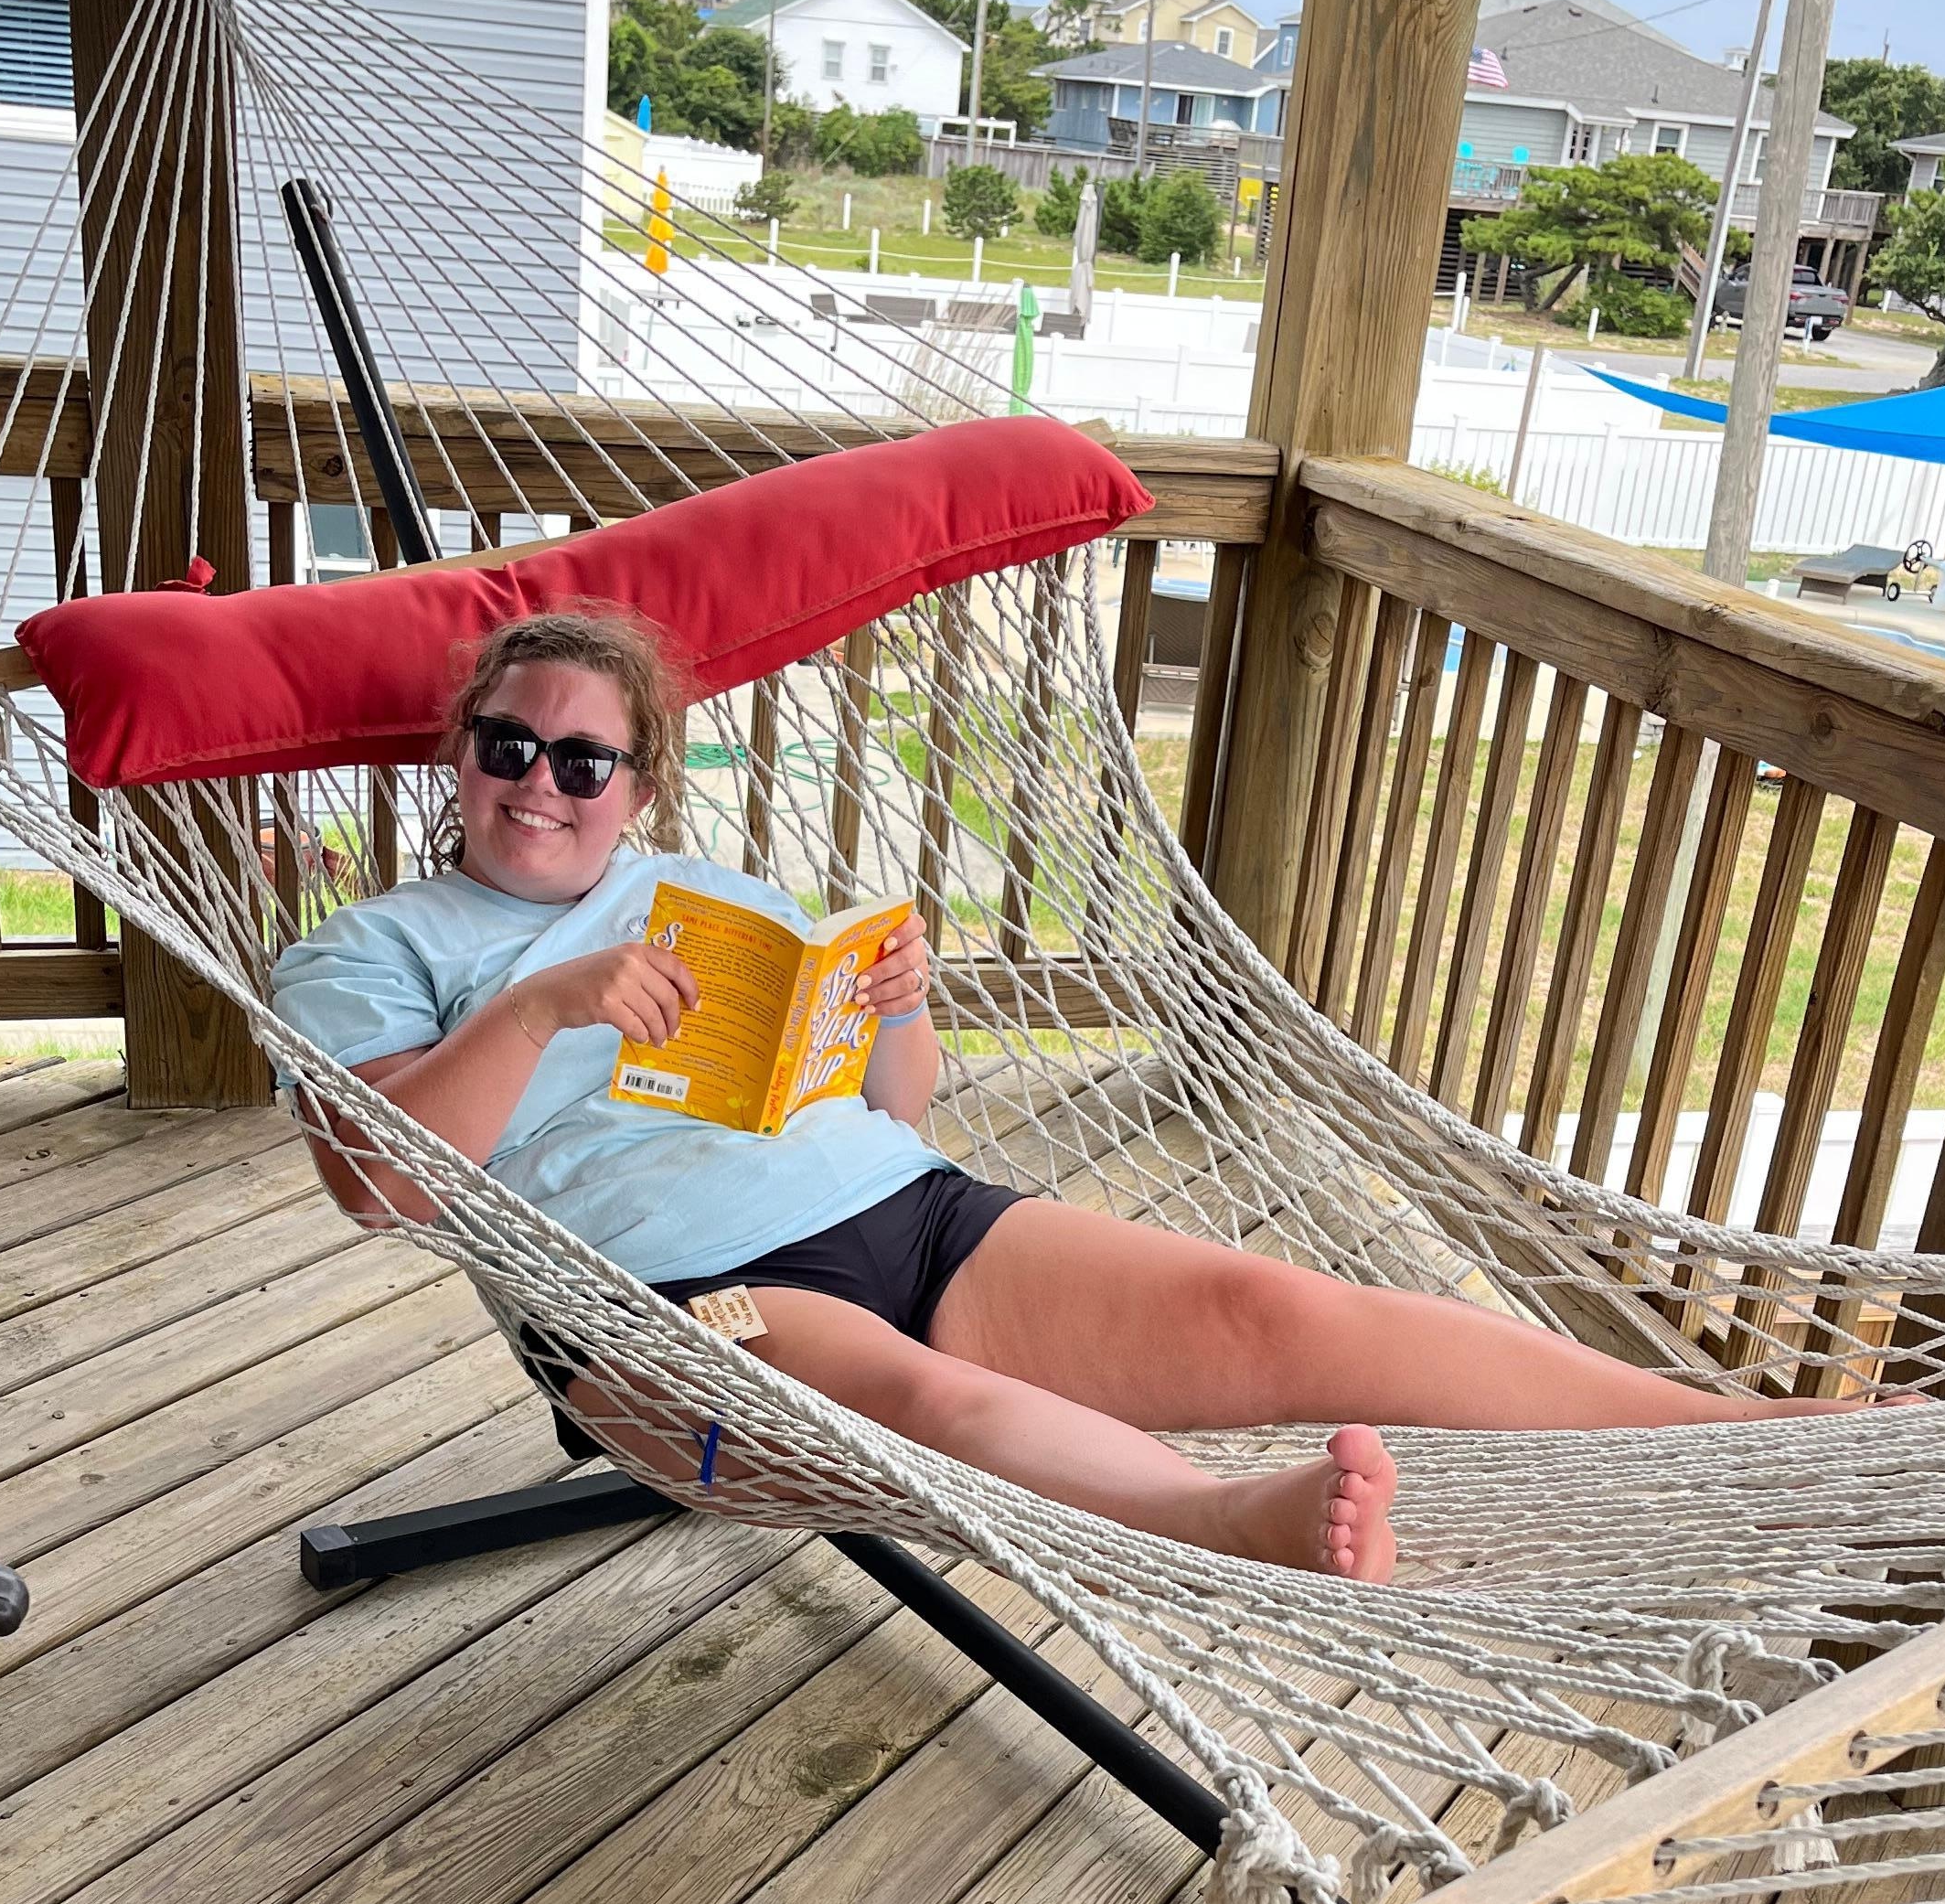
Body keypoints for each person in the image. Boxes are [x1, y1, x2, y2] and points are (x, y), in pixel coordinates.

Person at [275, 604, 1799, 1589]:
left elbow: (901, 1108)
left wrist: (896, 1007)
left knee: (1271, 1310)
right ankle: (1227, 1528)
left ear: (642, 783)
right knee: (933, 1410)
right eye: (511, 746)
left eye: (585, 760)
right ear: (459, 754)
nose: (542, 782)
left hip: (903, 1204)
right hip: (681, 1307)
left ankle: (1733, 1433)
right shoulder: (375, 946)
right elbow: (380, 1182)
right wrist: (544, 1004)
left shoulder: (704, 890)